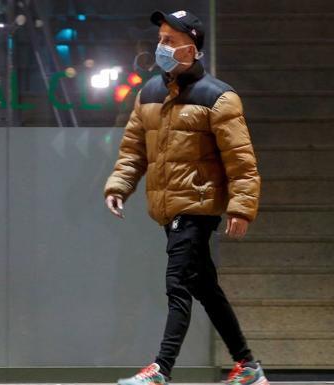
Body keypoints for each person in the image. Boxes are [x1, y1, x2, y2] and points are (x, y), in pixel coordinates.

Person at [103, 9, 269, 385]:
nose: (160, 46)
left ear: (190, 50)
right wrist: (118, 186)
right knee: (203, 287)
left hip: (197, 205)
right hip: (169, 207)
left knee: (177, 283)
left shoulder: (218, 97)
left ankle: (160, 370)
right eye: (159, 39)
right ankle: (248, 366)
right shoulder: (149, 93)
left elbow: (241, 161)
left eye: (169, 41)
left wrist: (241, 207)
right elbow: (133, 151)